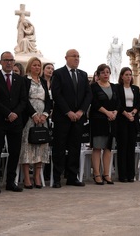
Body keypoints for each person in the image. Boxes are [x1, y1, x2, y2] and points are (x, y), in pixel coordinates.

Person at [50, 49, 92, 188]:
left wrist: (81, 111)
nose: (77, 58)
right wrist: (68, 112)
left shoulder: (82, 74)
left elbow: (88, 95)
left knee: (75, 148)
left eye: (78, 56)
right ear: (66, 58)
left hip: (78, 118)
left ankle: (72, 177)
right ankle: (57, 178)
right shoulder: (58, 73)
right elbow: (57, 94)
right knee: (59, 148)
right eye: (74, 56)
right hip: (63, 118)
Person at [0, 51, 28, 194]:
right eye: (6, 60)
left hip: (16, 121)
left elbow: (24, 100)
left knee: (15, 152)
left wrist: (15, 113)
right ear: (0, 62)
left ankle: (11, 181)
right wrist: (7, 113)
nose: (9, 63)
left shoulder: (20, 79)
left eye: (11, 60)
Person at [19, 57, 52, 189]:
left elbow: (48, 101)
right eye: (34, 65)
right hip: (29, 117)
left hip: (42, 118)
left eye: (39, 65)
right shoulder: (24, 81)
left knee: (41, 145)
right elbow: (24, 99)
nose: (37, 67)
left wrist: (44, 114)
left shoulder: (43, 81)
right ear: (29, 67)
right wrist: (33, 114)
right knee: (27, 146)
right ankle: (27, 178)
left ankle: (37, 176)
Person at [89, 64, 118, 185]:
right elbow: (94, 103)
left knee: (108, 148)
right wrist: (107, 112)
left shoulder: (114, 87)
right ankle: (96, 174)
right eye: (103, 72)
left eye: (107, 72)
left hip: (111, 120)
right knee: (97, 147)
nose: (106, 74)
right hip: (98, 119)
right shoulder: (93, 87)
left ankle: (106, 173)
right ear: (98, 74)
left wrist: (115, 112)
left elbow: (118, 102)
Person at [114, 67, 140, 183]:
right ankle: (122, 175)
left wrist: (133, 113)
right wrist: (126, 114)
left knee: (131, 147)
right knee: (122, 147)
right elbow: (117, 103)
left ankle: (131, 175)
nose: (128, 77)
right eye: (126, 74)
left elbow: (138, 103)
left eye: (130, 74)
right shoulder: (117, 88)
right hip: (122, 118)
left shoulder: (135, 88)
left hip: (133, 119)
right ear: (122, 76)